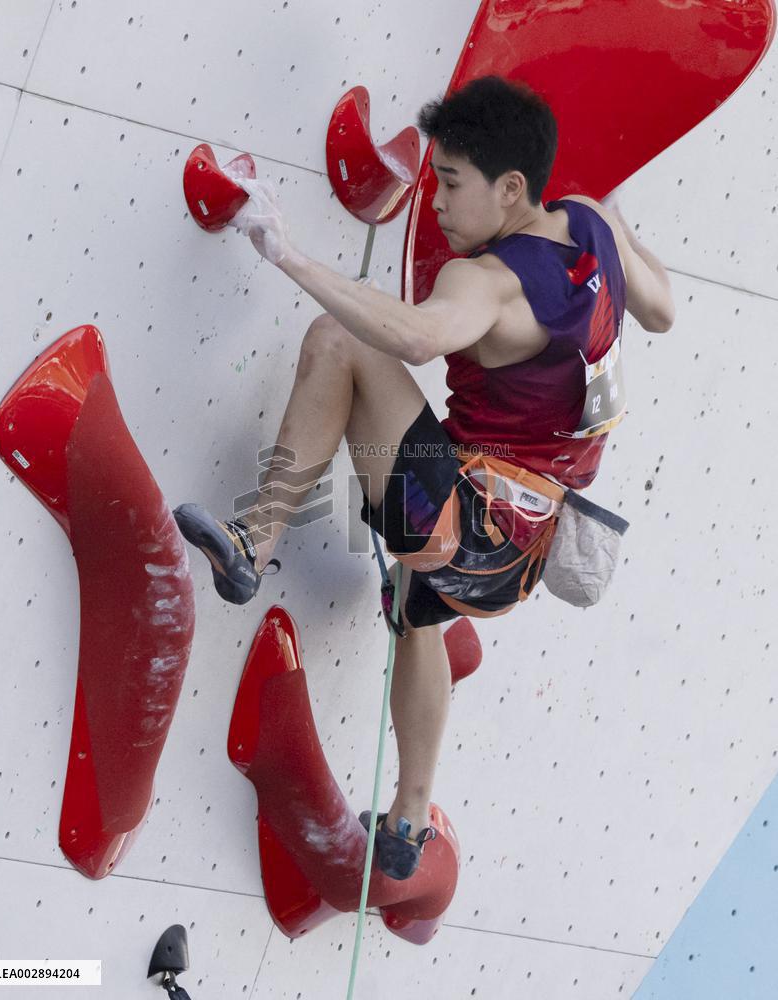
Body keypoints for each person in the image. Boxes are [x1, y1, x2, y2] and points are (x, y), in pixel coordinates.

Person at [174, 75, 675, 880]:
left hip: (453, 523)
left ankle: (254, 539)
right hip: (519, 559)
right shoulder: (589, 224)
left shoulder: (488, 280)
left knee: (340, 342)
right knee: (418, 612)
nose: (434, 204)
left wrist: (283, 249)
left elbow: (412, 338)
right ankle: (409, 818)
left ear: (509, 188)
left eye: (448, 183)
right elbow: (662, 312)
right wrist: (621, 227)